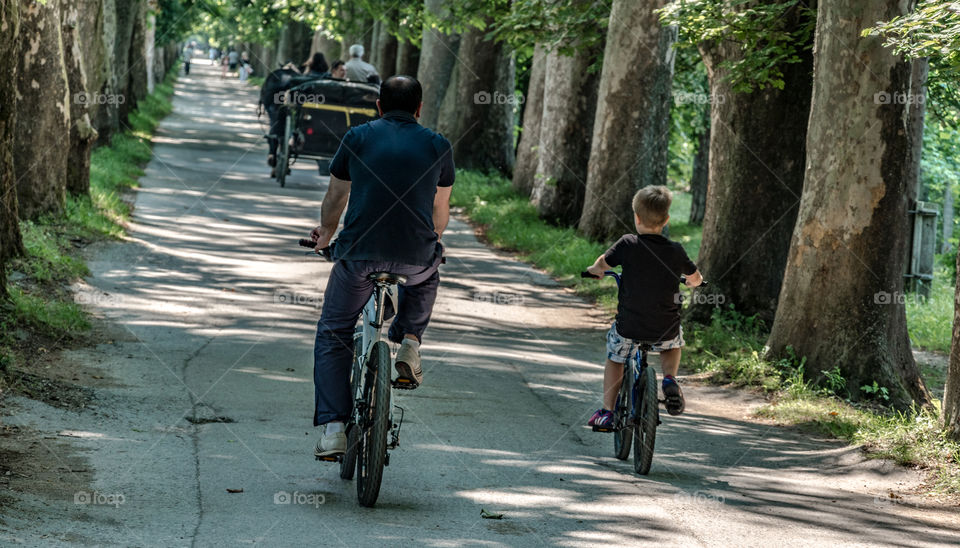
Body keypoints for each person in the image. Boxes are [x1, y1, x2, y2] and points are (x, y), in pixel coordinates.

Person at [308, 75, 454, 457]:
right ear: (420, 108)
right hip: (415, 257)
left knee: (334, 331)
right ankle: (408, 343)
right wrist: (432, 239)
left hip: (359, 255)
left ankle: (335, 428)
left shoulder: (357, 138)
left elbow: (336, 197)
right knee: (426, 275)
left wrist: (325, 234)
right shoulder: (439, 145)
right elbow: (440, 215)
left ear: (378, 106)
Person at [584, 186, 703, 427]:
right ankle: (669, 379)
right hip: (664, 327)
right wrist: (691, 282)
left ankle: (607, 411)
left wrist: (595, 271)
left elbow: (602, 264)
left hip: (629, 326)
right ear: (667, 220)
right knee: (674, 343)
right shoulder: (675, 250)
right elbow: (696, 279)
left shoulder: (628, 244)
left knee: (615, 359)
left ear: (636, 217)